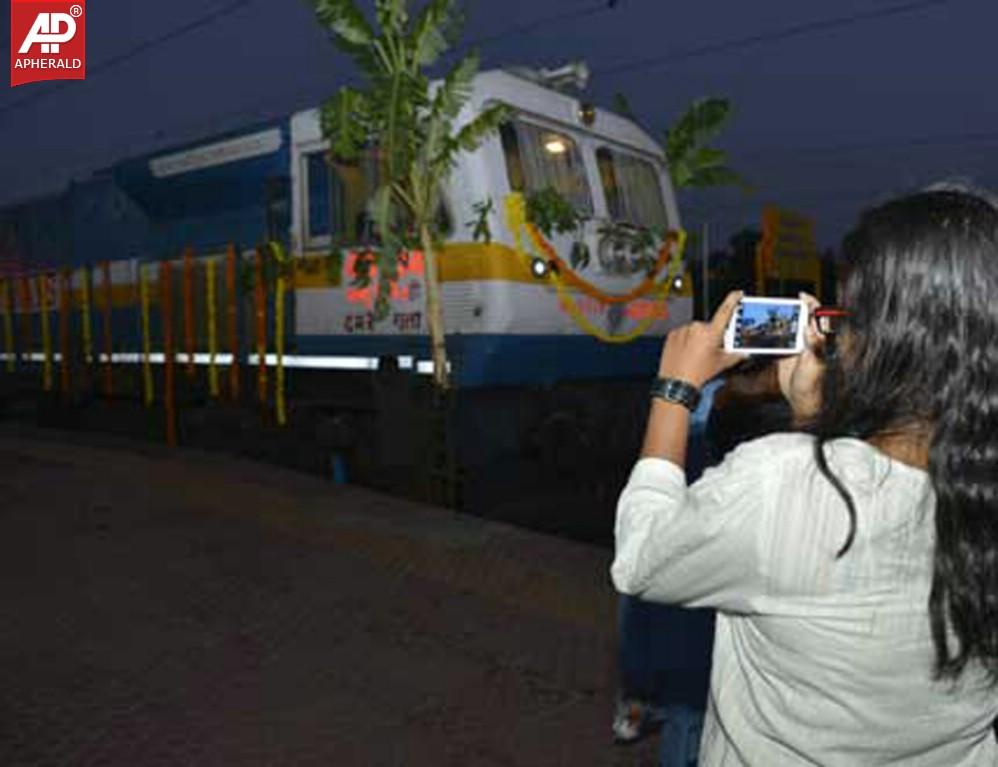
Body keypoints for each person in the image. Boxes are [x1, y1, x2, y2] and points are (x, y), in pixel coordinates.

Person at [612, 187, 998, 765]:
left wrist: (674, 391)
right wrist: (816, 423)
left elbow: (642, 557)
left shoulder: (779, 483)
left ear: (883, 342)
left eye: (843, 317)